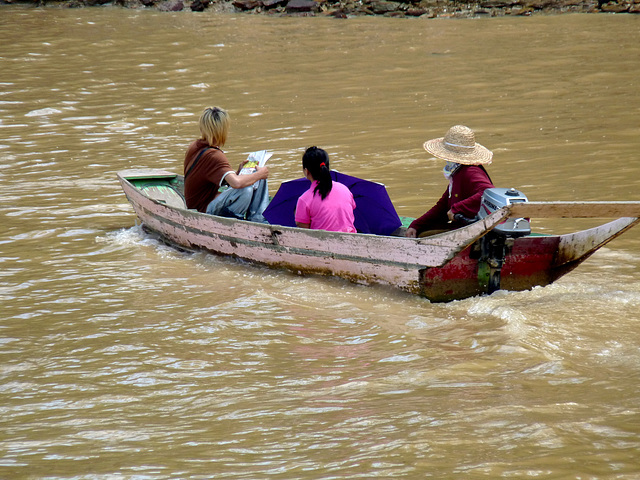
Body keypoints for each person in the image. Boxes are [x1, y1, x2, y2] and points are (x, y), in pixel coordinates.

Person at [406, 125, 495, 238]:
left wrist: (458, 208)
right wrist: (416, 225)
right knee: (422, 230)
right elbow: (443, 206)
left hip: (473, 231)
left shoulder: (470, 171)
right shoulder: (458, 172)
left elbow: (488, 192)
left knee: (424, 235)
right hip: (464, 228)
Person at [183, 106, 269, 222]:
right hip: (203, 210)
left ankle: (257, 218)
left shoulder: (195, 146)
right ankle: (258, 220)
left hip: (199, 203)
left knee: (251, 178)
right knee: (248, 187)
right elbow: (236, 183)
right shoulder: (215, 156)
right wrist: (261, 174)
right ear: (222, 130)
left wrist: (238, 172)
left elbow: (213, 175)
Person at [295, 147, 357, 233]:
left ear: (306, 171)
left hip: (321, 245)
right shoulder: (345, 189)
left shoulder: (304, 199)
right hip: (350, 242)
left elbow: (304, 232)